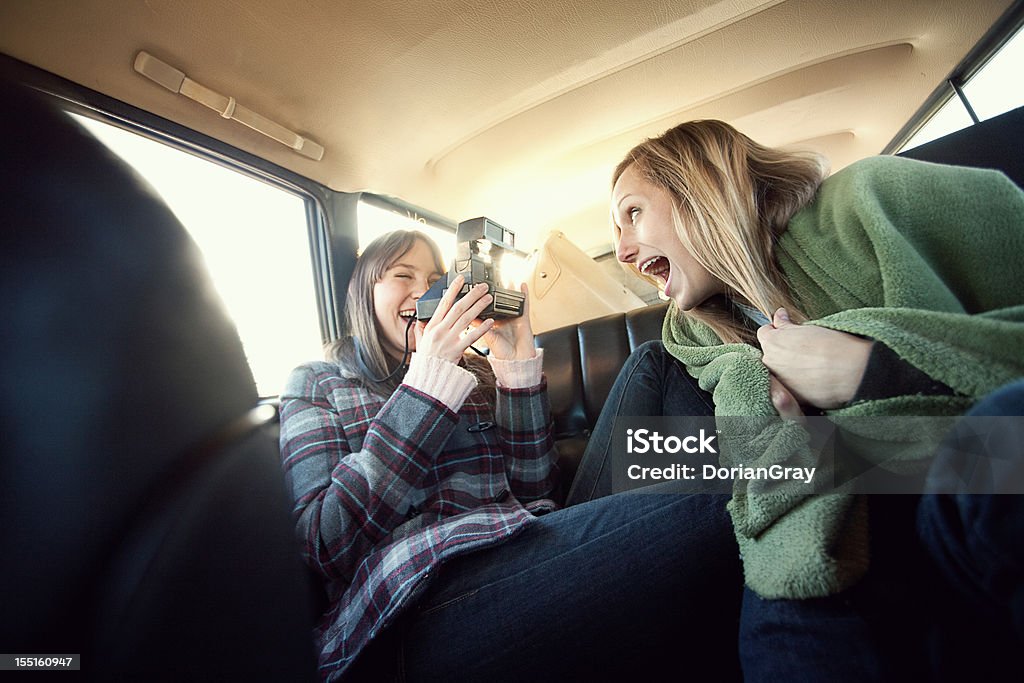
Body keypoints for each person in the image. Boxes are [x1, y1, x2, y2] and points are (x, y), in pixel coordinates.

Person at [569, 119, 1024, 679]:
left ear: (698, 186)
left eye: (632, 213)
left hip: (962, 459)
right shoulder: (692, 333)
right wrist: (785, 436)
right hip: (827, 497)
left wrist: (869, 368)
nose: (620, 250)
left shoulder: (873, 195)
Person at [278, 230, 745, 682]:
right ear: (364, 291)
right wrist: (425, 386)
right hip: (414, 604)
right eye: (403, 276)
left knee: (655, 362)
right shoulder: (320, 382)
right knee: (733, 495)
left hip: (523, 539)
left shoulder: (474, 371)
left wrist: (516, 366)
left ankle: (794, 462)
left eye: (437, 277)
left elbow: (535, 493)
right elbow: (325, 545)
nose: (427, 292)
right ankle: (808, 465)